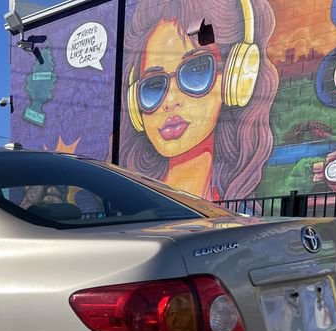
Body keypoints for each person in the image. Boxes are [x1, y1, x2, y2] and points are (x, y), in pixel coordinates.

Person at [118, 0, 278, 201]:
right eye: (153, 86)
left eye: (196, 70)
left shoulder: (239, 210)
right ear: (135, 102)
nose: (170, 100)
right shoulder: (125, 204)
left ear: (235, 76)